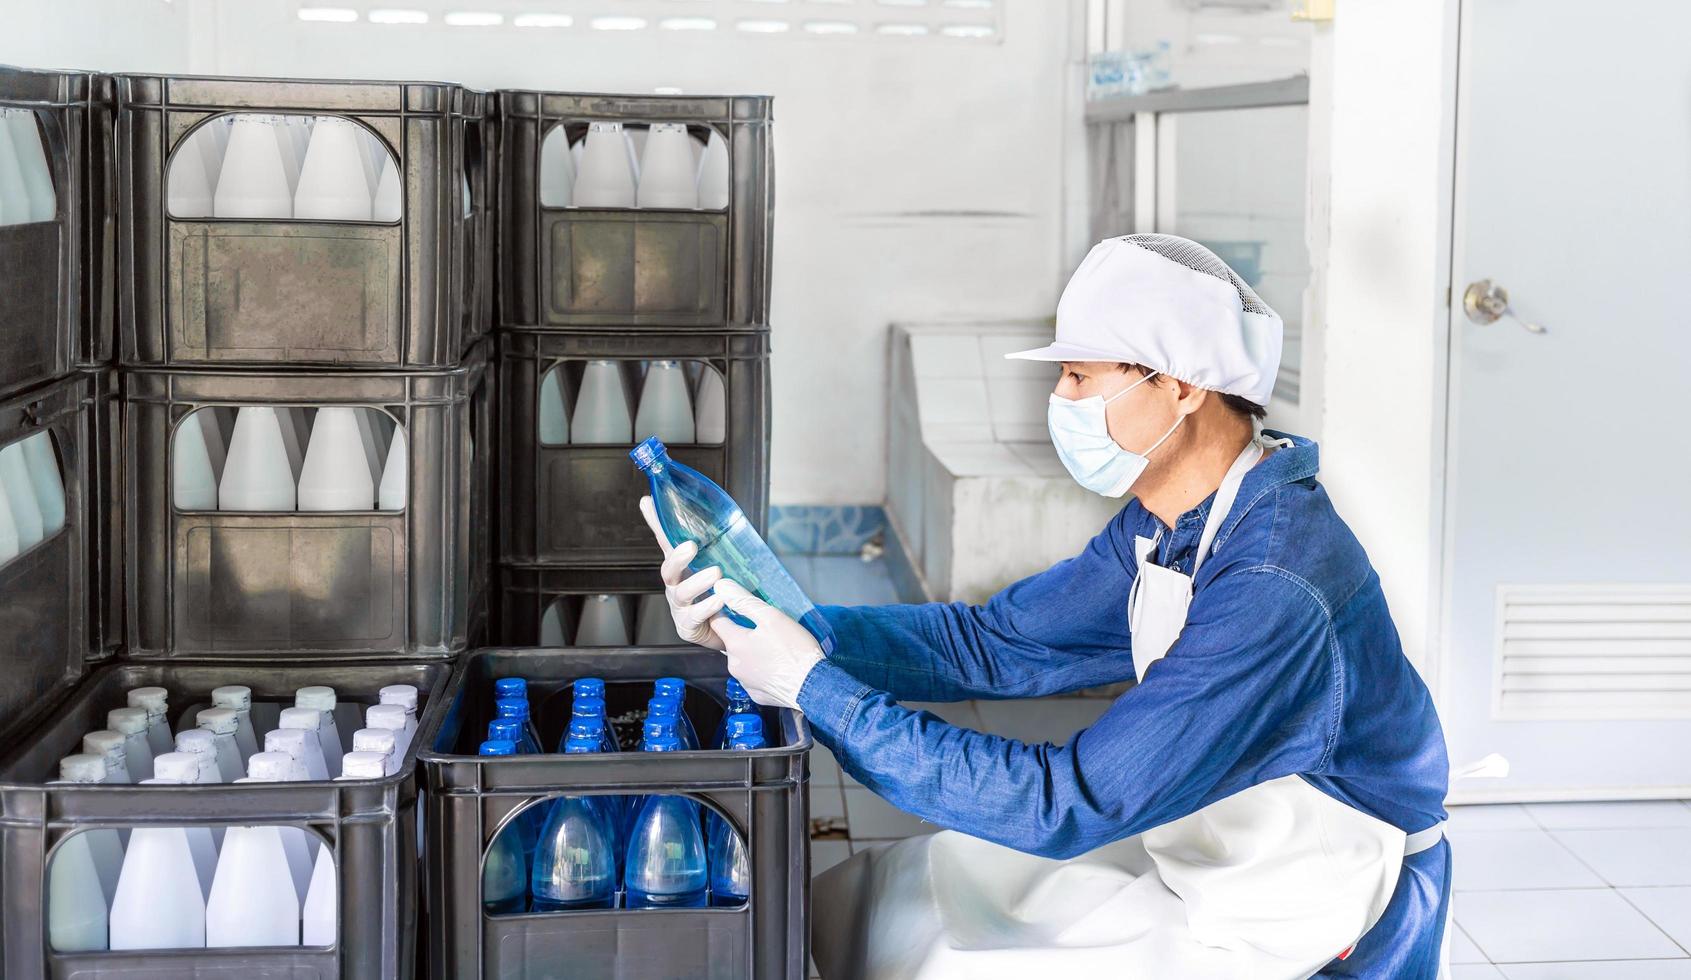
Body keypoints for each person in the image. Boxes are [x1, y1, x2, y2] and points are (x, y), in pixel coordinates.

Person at [640, 234, 1451, 979]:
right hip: (1215, 844)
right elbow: (995, 643)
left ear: (1174, 388)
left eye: (1078, 376)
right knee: (898, 895)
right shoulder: (1173, 520)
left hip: (1314, 890)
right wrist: (781, 626)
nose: (1058, 400)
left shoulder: (1274, 583)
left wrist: (815, 688)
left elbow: (1065, 804)